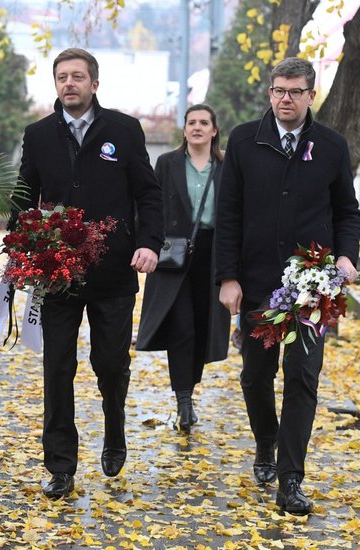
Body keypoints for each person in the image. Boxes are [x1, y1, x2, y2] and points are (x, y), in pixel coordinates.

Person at [215, 57, 360, 515]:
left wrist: (345, 256)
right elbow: (228, 214)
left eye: (295, 91)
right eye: (279, 90)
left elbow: (347, 211)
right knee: (256, 376)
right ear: (269, 93)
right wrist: (228, 277)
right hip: (257, 281)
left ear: (310, 95)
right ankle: (266, 445)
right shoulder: (243, 140)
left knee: (302, 376)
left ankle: (291, 478)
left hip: (311, 286)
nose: (285, 99)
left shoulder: (332, 147)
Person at [15, 48, 163, 499]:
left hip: (114, 271)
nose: (69, 84)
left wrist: (148, 243)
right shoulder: (39, 134)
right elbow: (24, 199)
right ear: (55, 84)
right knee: (57, 367)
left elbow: (148, 195)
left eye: (78, 77)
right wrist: (26, 248)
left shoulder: (123, 129)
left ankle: (114, 429)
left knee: (110, 364)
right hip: (57, 275)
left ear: (94, 83)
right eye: (62, 77)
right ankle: (60, 464)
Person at [136, 104, 230, 432]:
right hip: (174, 254)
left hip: (214, 254)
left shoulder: (226, 165)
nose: (198, 127)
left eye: (204, 122)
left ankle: (189, 389)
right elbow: (151, 205)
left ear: (214, 130)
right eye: (191, 122)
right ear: (185, 129)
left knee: (203, 327)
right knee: (182, 327)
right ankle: (184, 401)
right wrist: (147, 242)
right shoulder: (168, 163)